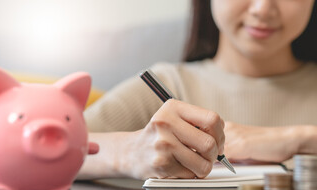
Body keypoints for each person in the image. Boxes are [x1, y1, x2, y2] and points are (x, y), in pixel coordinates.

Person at [77, 0, 317, 180]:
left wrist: (300, 139)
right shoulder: (167, 84)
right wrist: (129, 152)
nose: (262, 9)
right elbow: (44, 151)